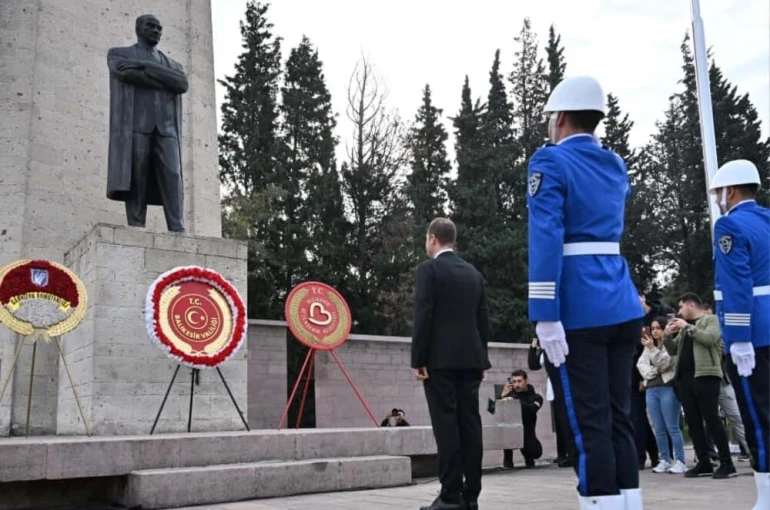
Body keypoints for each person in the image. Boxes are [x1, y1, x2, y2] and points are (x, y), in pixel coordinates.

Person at [527, 75, 645, 510]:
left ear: (558, 116)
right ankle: (629, 504)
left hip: (579, 308)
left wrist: (544, 311)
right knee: (619, 420)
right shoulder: (614, 164)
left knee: (586, 424)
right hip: (620, 300)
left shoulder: (550, 161)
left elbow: (546, 235)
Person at [411, 218, 492, 510]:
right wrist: (482, 359)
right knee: (470, 425)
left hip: (440, 361)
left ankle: (449, 496)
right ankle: (471, 496)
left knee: (446, 427)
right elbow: (483, 320)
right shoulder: (473, 274)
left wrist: (418, 358)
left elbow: (424, 315)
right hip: (470, 360)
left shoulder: (429, 270)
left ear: (433, 238)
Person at [709, 159, 770, 509]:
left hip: (752, 334)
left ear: (730, 191)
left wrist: (739, 337)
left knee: (758, 418)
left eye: (719, 192)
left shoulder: (729, 225)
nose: (719, 199)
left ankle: (765, 496)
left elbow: (736, 286)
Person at [107, 14, 189, 232]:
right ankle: (136, 226)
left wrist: (143, 66)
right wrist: (163, 80)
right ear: (138, 29)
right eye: (151, 26)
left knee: (173, 176)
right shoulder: (119, 54)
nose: (156, 31)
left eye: (159, 28)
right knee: (137, 176)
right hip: (136, 126)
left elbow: (181, 84)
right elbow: (123, 74)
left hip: (167, 129)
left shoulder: (174, 64)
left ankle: (178, 227)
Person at [662, 293, 736, 479]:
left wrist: (687, 327)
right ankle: (704, 462)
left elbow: (710, 339)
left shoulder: (710, 320)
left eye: (681, 307)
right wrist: (666, 335)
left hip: (706, 376)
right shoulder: (685, 328)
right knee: (694, 423)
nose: (679, 312)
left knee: (712, 420)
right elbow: (672, 350)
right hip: (685, 380)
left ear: (692, 305)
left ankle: (727, 463)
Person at [636, 317, 687, 474]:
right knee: (658, 427)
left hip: (667, 388)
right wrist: (653, 371)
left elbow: (665, 363)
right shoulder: (648, 347)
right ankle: (664, 459)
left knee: (672, 426)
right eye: (652, 328)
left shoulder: (670, 344)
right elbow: (641, 364)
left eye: (658, 327)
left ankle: (680, 460)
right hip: (651, 388)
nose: (655, 331)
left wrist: (652, 351)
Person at [529, 337, 573, 467]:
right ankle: (562, 453)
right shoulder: (544, 349)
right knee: (559, 422)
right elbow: (533, 365)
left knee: (567, 421)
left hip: (567, 384)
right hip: (553, 387)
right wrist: (533, 348)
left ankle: (571, 453)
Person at [501, 370, 544, 468]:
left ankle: (529, 458)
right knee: (507, 431)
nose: (517, 384)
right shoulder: (509, 396)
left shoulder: (536, 397)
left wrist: (516, 402)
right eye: (514, 381)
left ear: (526, 381)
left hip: (527, 432)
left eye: (519, 381)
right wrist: (502, 396)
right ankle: (508, 462)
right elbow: (493, 410)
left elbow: (532, 408)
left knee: (535, 452)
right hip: (510, 432)